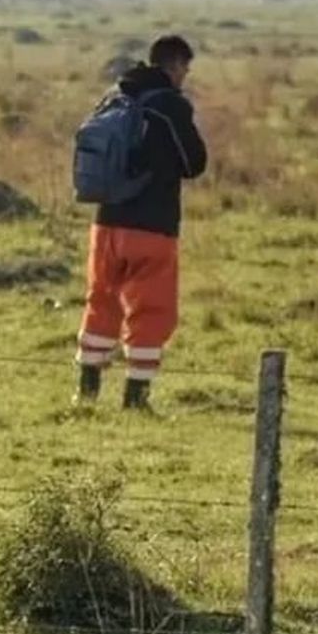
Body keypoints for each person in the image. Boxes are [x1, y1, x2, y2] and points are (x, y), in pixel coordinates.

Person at [76, 35, 208, 409]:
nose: (185, 75)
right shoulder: (170, 106)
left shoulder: (116, 96)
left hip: (106, 222)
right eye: (185, 68)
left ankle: (86, 391)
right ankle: (136, 397)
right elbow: (194, 164)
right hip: (153, 225)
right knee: (152, 308)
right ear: (176, 65)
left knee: (101, 301)